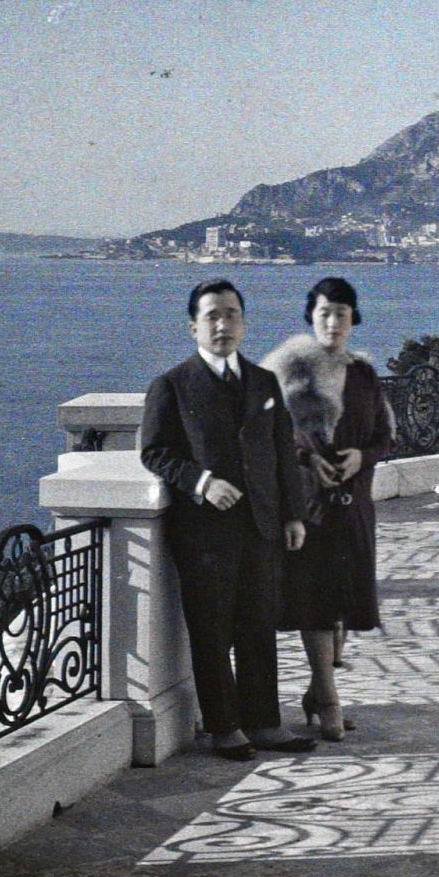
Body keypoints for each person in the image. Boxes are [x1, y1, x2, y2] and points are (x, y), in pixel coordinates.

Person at [139, 279, 318, 761]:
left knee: (259, 624)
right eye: (213, 315)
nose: (223, 324)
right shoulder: (172, 385)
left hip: (261, 526)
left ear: (243, 322)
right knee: (212, 629)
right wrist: (201, 483)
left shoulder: (263, 382)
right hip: (202, 533)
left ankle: (265, 723)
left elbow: (282, 450)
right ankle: (225, 727)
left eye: (232, 314)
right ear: (194, 325)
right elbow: (154, 453)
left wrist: (293, 514)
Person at [260, 276, 395, 741]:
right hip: (307, 503)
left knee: (343, 604)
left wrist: (363, 457)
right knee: (315, 601)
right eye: (324, 313)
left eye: (341, 313)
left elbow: (383, 435)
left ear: (353, 319)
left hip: (354, 504)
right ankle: (330, 698)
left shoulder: (363, 374)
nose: (333, 322)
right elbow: (269, 436)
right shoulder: (285, 371)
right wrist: (306, 458)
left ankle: (317, 693)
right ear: (310, 318)